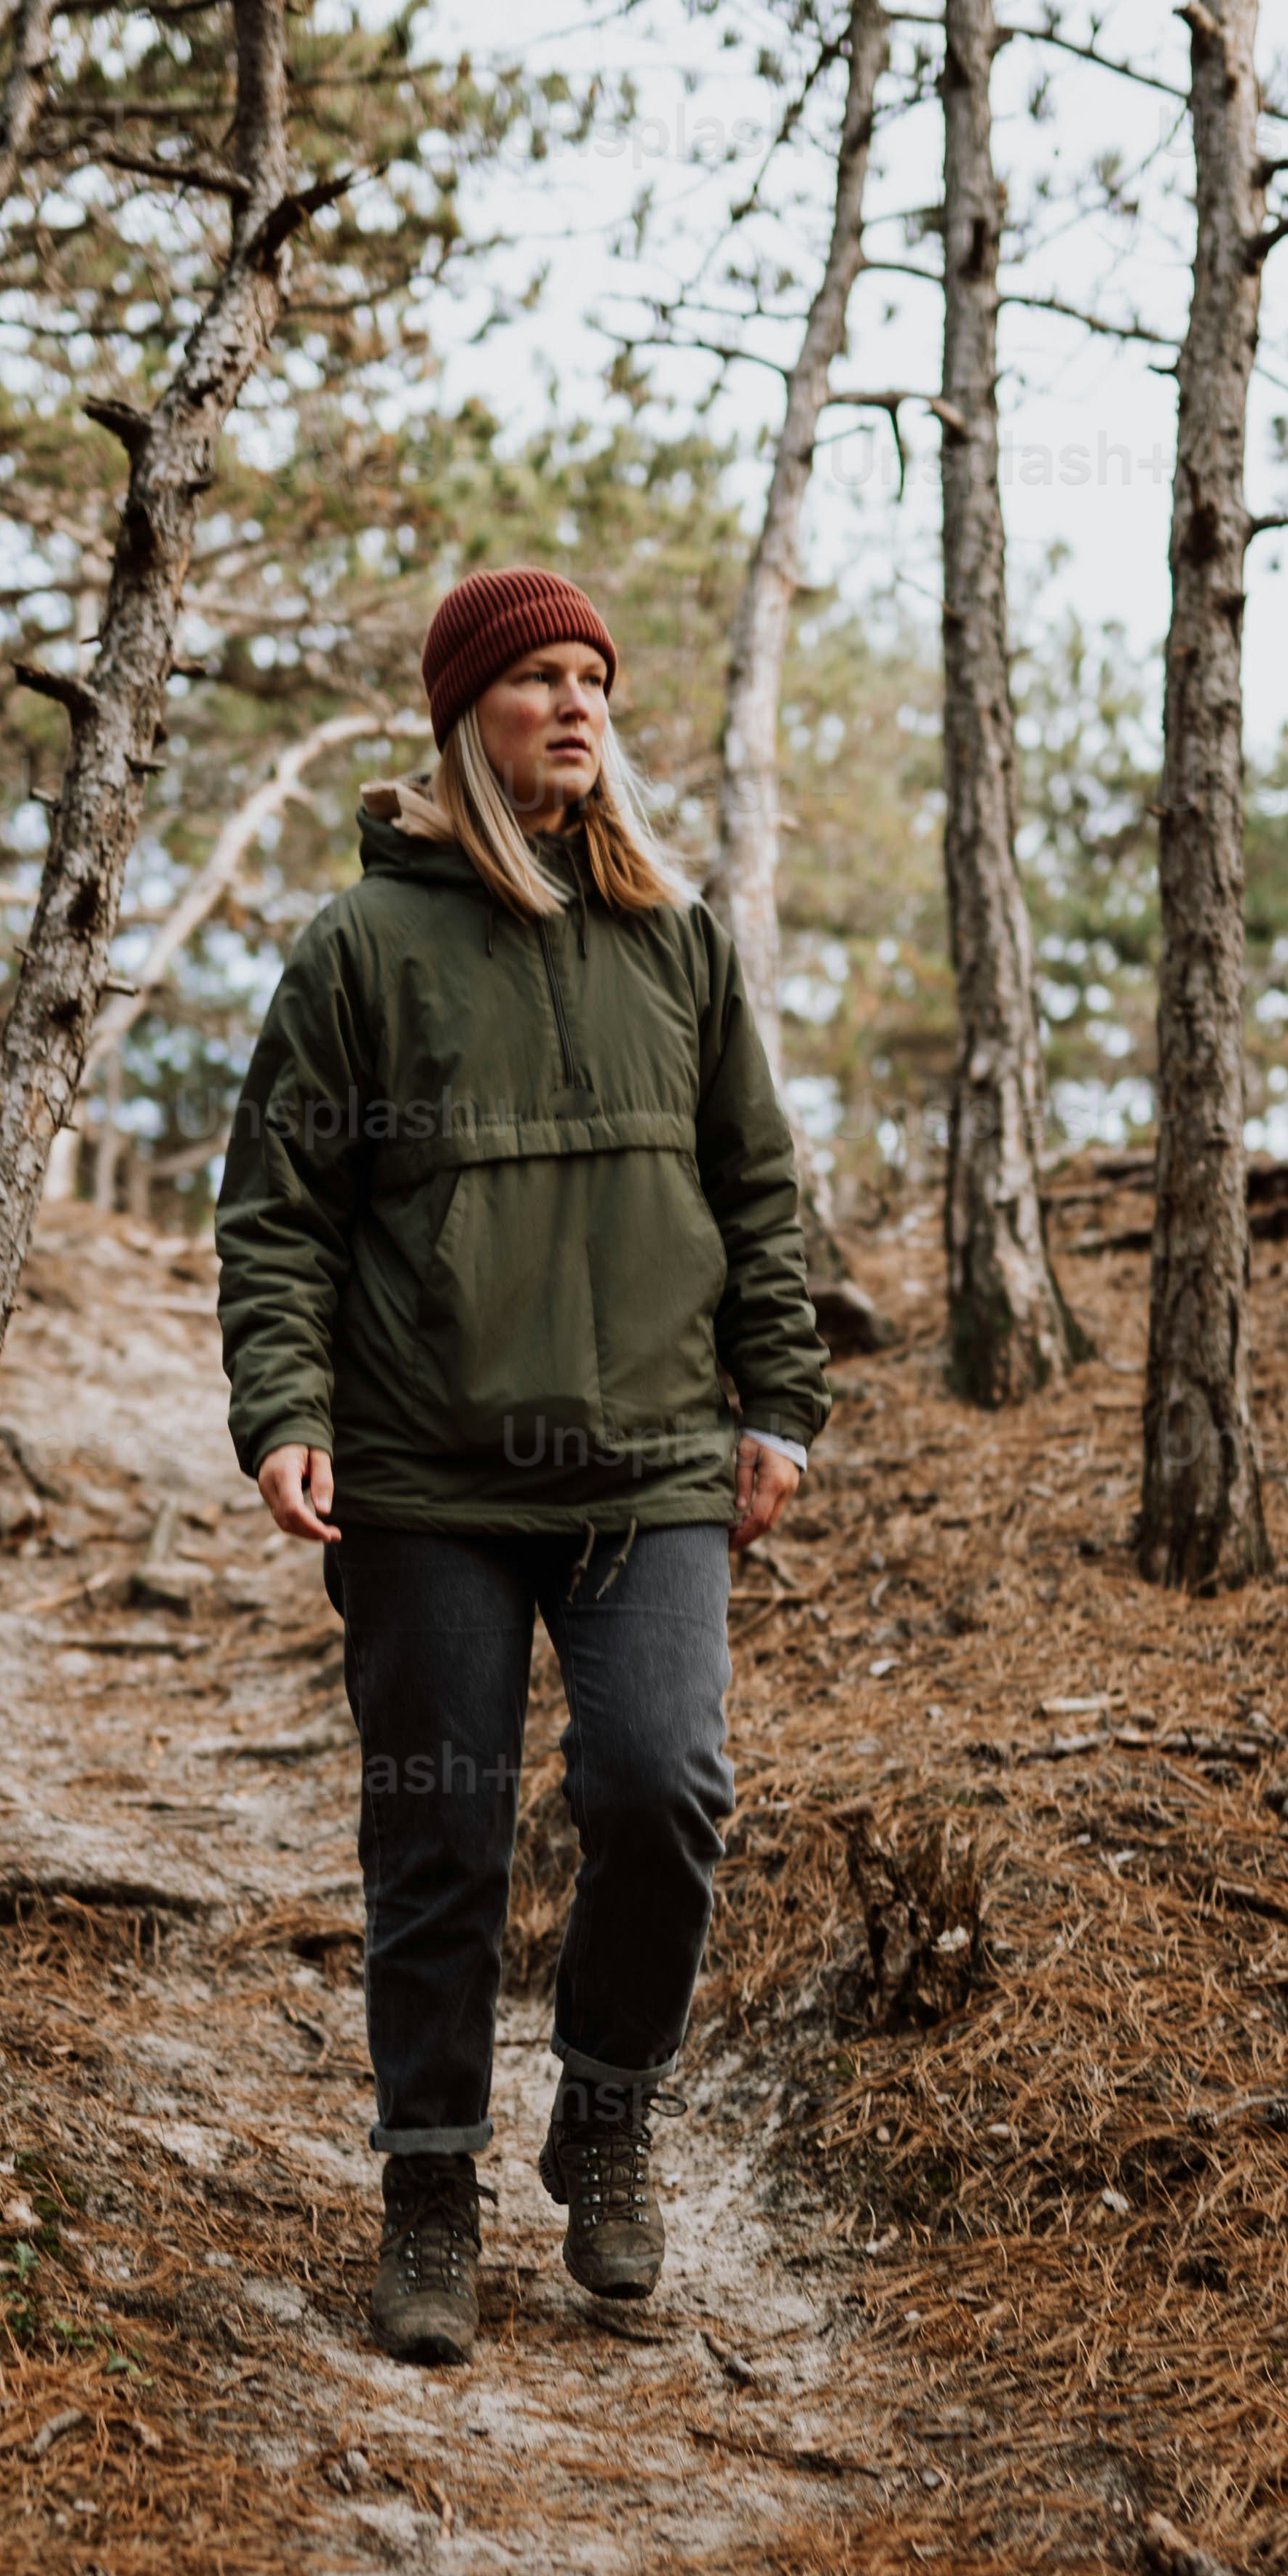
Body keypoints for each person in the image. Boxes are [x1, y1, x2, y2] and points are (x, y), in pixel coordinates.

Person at [213, 564, 832, 2367]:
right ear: (461, 714)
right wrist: (285, 1410)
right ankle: (426, 2188)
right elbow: (278, 1217)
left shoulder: (676, 939)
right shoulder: (359, 952)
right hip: (424, 1472)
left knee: (661, 1786)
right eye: (536, 679)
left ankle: (608, 2110)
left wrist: (774, 1402)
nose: (575, 706)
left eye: (594, 679)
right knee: (439, 1833)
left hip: (646, 1461)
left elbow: (755, 1190)